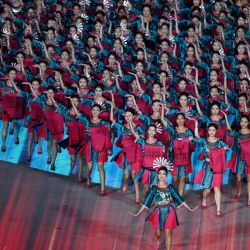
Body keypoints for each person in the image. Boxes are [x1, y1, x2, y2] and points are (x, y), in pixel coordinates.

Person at [130, 166, 197, 250]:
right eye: (160, 173)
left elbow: (179, 199)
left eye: (164, 174)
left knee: (168, 233)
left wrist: (189, 208)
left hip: (170, 211)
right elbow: (146, 202)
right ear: (157, 175)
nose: (161, 175)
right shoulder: (154, 189)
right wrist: (138, 213)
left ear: (166, 175)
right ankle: (158, 239)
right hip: (158, 212)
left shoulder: (171, 188)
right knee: (158, 233)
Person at [193, 111, 230, 217]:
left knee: (217, 188)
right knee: (207, 190)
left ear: (216, 131)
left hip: (217, 168)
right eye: (210, 130)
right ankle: (204, 198)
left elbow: (226, 149)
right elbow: (196, 136)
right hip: (208, 168)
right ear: (208, 131)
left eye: (213, 130)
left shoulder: (220, 142)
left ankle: (218, 210)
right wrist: (196, 124)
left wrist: (226, 148)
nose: (211, 132)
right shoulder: (204, 141)